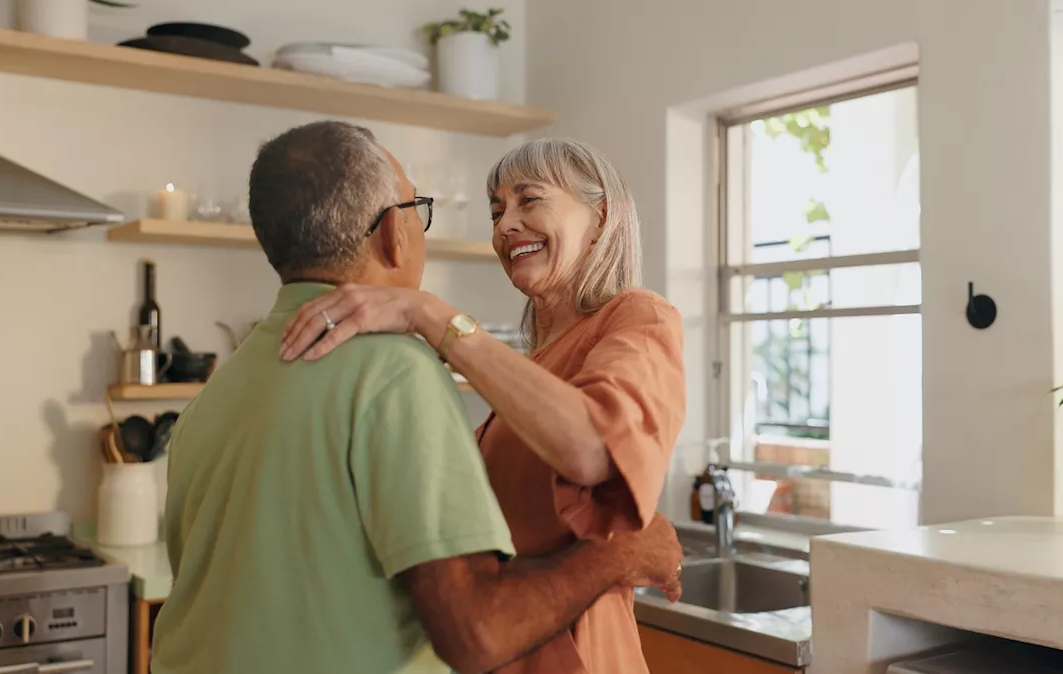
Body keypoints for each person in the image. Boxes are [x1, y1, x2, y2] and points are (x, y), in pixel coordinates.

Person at [149, 122, 683, 674]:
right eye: (496, 209)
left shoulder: (220, 391)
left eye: (529, 199)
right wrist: (622, 553)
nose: (505, 225)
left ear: (601, 217)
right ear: (392, 235)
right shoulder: (413, 372)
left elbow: (594, 447)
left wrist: (426, 313)